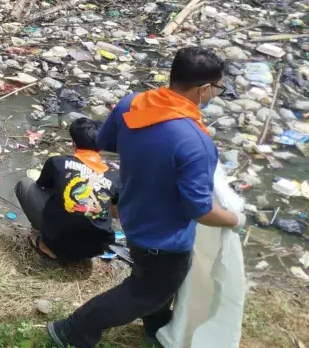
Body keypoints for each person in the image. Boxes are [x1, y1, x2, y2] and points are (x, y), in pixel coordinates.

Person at [47, 48, 242, 348]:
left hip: (132, 211)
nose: (215, 94)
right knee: (146, 292)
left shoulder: (133, 103)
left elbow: (105, 141)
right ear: (204, 89)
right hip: (165, 237)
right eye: (217, 88)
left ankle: (156, 328)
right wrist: (235, 218)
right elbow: (199, 210)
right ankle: (73, 330)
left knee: (152, 283)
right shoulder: (195, 141)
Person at [14, 117, 119, 262]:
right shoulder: (115, 177)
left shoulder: (57, 163)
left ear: (73, 143)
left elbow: (43, 188)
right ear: (101, 147)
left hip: (57, 240)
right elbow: (116, 214)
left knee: (24, 185)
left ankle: (46, 245)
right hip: (96, 248)